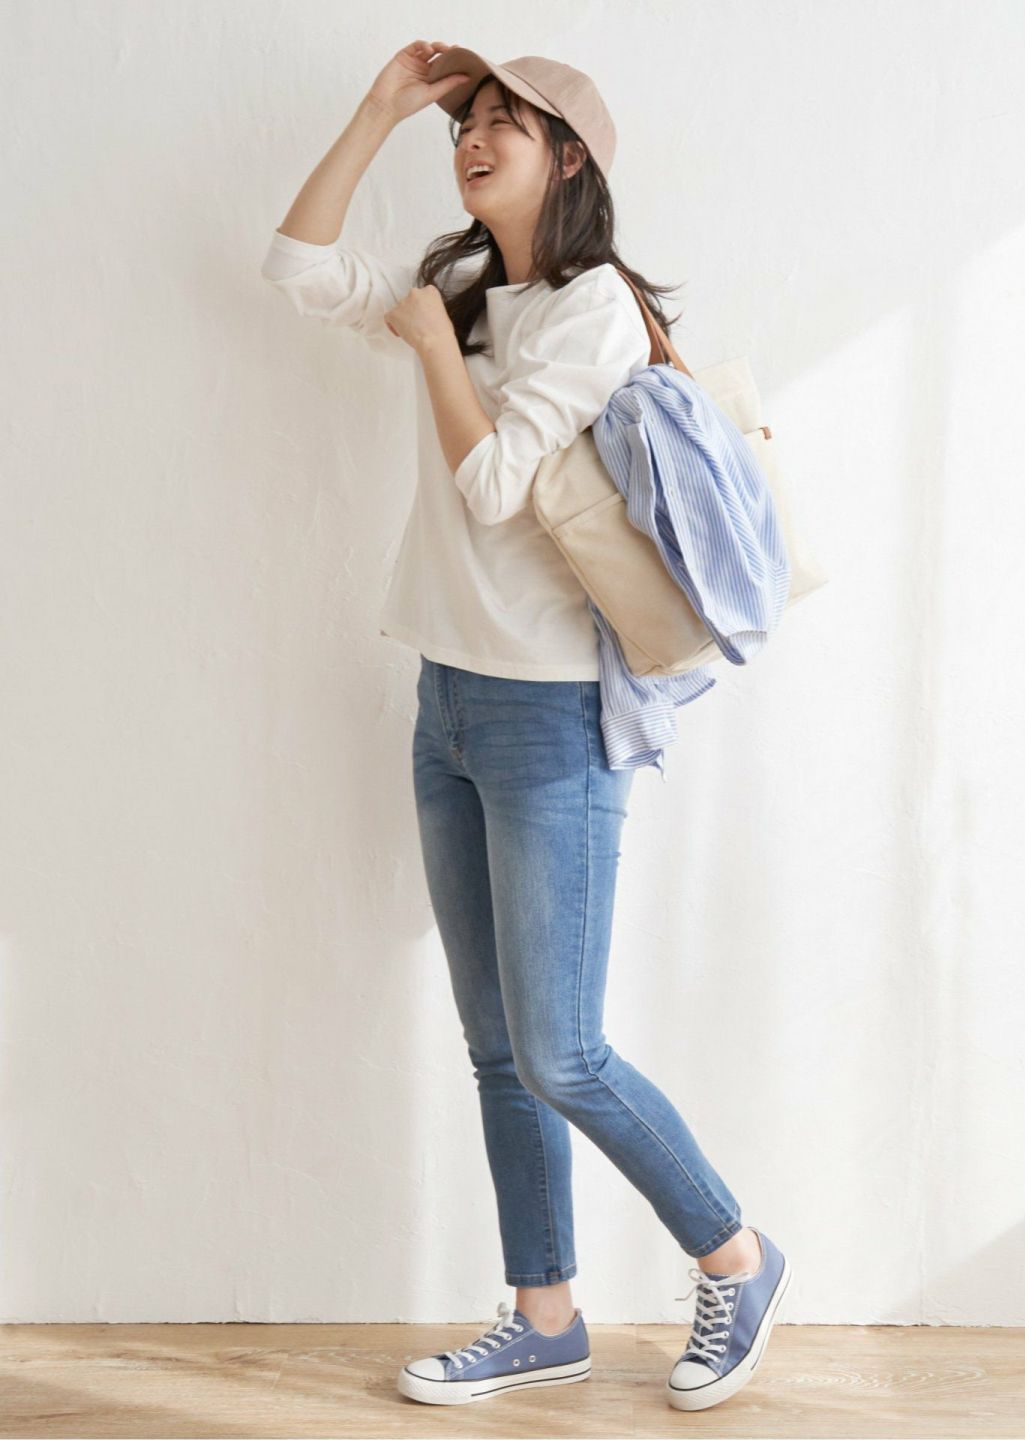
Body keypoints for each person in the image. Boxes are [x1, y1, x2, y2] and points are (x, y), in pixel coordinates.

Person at [260, 40, 790, 1411]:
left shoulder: (593, 311)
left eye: (507, 122)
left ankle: (736, 1253)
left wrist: (438, 349)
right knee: (499, 1048)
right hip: (445, 695)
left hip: (552, 716)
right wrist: (380, 108)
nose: (473, 138)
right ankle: (544, 1314)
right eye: (466, 122)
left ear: (570, 160)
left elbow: (494, 483)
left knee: (563, 1051)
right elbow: (297, 266)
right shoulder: (460, 287)